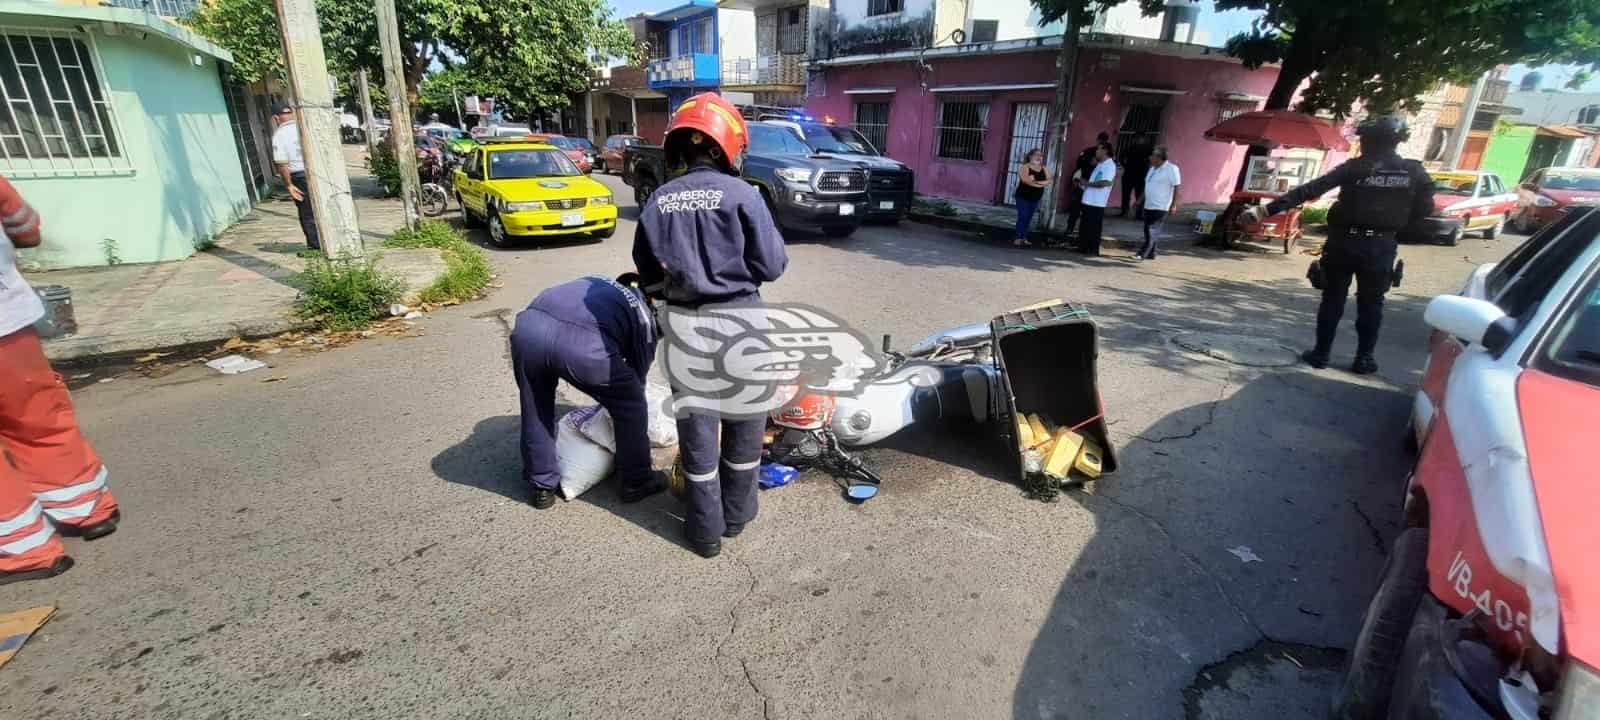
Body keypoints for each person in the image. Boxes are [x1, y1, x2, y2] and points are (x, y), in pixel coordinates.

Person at [633, 92, 788, 559]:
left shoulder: (659, 200)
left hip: (686, 328)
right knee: (744, 428)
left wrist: (678, 283)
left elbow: (646, 271)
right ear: (728, 146)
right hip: (743, 323)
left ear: (680, 147)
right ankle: (737, 517)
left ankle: (705, 533)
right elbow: (773, 264)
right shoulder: (745, 195)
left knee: (698, 434)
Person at [1, 174, 121, 586]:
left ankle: (24, 550)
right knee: (40, 422)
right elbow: (27, 230)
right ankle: (87, 510)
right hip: (9, 324)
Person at [1258, 115, 1433, 375]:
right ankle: (1364, 358)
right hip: (1381, 245)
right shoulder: (1414, 172)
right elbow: (1425, 209)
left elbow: (1311, 189)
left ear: (1369, 140)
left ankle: (1321, 353)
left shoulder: (1356, 168)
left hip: (1344, 242)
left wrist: (1267, 210)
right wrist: (1393, 225)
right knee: (1372, 303)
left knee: (1332, 299)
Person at [509, 274, 668, 511]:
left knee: (535, 404)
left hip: (528, 331)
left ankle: (541, 484)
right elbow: (637, 378)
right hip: (580, 348)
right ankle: (637, 480)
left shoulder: (602, 283)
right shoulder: (645, 317)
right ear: (655, 304)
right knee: (631, 402)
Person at [271, 102, 319, 253]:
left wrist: (289, 185)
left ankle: (316, 246)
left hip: (299, 175)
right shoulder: (305, 128)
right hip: (317, 172)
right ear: (291, 114)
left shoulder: (279, 135)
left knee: (307, 211)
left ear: (276, 118)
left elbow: (282, 163)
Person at [1135, 146, 1181, 260]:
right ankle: (1152, 253)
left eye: (1153, 155)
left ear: (1159, 157)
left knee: (1151, 229)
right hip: (1148, 204)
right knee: (1148, 229)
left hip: (1161, 206)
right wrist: (1139, 200)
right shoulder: (1152, 168)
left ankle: (1142, 253)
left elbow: (1176, 187)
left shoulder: (1172, 169)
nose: (1150, 157)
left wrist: (1174, 204)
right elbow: (1147, 186)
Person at [1063, 132, 1110, 237]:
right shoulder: (1087, 152)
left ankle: (1084, 234)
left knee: (1088, 214)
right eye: (1101, 141)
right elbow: (1079, 167)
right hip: (1083, 185)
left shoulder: (1108, 158)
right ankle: (1070, 228)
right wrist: (1075, 179)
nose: (1100, 146)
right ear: (1097, 140)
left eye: (1104, 142)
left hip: (1095, 189)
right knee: (1076, 208)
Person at [1073, 142, 1117, 256]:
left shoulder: (1109, 165)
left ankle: (1092, 249)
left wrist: (1086, 183)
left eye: (1098, 149)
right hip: (1089, 200)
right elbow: (1094, 181)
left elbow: (1105, 182)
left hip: (1097, 202)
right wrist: (1082, 184)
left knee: (1093, 227)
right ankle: (1083, 247)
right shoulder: (1100, 164)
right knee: (1085, 226)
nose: (1096, 151)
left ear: (1105, 151)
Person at [1012, 149, 1051, 247]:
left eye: (1041, 155)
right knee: (1023, 216)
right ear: (1030, 156)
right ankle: (1017, 238)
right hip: (1023, 197)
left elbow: (1049, 180)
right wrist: (1040, 183)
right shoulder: (1024, 167)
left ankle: (1024, 238)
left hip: (1035, 198)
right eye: (1036, 155)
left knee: (1029, 218)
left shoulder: (1044, 168)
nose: (1039, 157)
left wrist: (1035, 182)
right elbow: (1026, 181)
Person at [1118, 139, 1153, 219]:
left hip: (1136, 175)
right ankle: (1132, 213)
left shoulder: (1146, 148)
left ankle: (1133, 213)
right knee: (1130, 195)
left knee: (1134, 195)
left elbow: (1121, 157)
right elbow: (1121, 156)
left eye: (1139, 138)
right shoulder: (1132, 147)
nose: (1138, 140)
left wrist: (1125, 165)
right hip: (1134, 175)